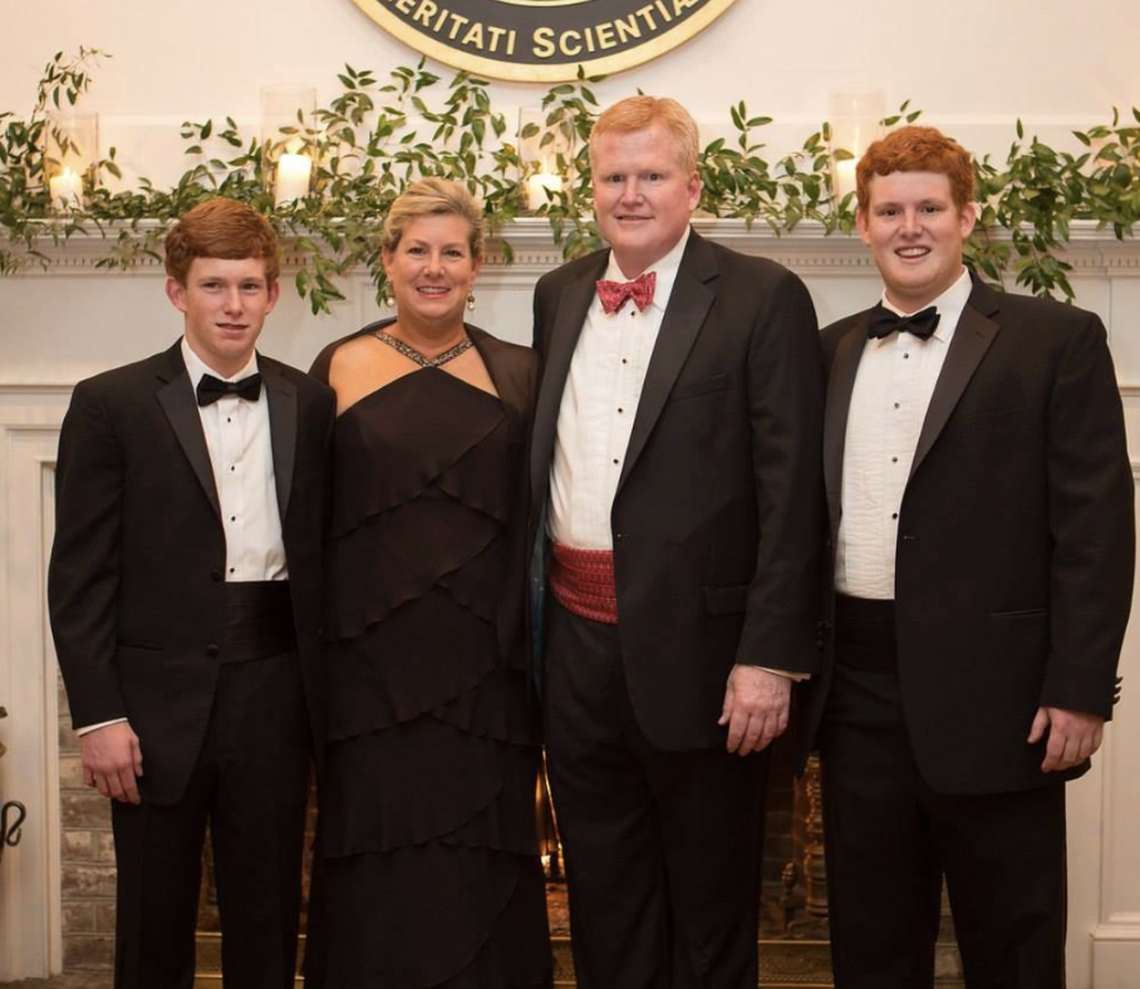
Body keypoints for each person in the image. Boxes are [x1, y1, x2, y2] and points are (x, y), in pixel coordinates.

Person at [798, 125, 1134, 989]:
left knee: (1013, 944)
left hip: (1004, 697)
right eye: (890, 210)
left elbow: (1096, 530)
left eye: (930, 208)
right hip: (857, 697)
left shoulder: (1055, 340)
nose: (910, 227)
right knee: (871, 948)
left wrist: (1079, 686)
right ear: (864, 224)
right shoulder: (828, 348)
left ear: (967, 217)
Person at [530, 96, 825, 989]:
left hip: (707, 659)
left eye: (650, 176)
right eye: (613, 177)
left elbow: (794, 492)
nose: (630, 194)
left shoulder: (763, 296)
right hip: (575, 650)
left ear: (692, 187)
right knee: (604, 896)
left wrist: (769, 655)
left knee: (709, 903)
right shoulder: (558, 293)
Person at [48, 198, 335, 988]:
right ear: (177, 291)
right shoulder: (111, 404)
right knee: (152, 921)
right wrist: (99, 715)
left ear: (276, 293)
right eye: (214, 286)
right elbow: (78, 576)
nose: (233, 306)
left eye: (250, 286)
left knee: (270, 914)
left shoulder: (310, 402)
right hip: (151, 705)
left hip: (275, 692)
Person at [304, 177, 552, 989]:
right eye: (418, 250)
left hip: (488, 676)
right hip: (368, 679)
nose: (435, 267)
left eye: (453, 252)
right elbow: (305, 527)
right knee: (375, 862)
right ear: (388, 259)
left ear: (479, 265)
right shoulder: (336, 367)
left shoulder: (521, 374)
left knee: (479, 865)